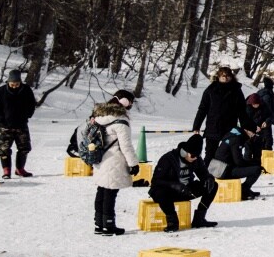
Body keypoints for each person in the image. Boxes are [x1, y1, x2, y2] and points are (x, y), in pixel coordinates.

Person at [89, 100, 141, 235]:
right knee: (110, 194)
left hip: (100, 160)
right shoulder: (120, 122)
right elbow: (126, 146)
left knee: (101, 191)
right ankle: (109, 225)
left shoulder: (100, 118)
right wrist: (133, 164)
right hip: (114, 161)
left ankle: (99, 224)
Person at [150, 133, 217, 230]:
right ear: (185, 152)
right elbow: (156, 181)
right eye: (193, 155)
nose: (195, 158)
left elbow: (204, 174)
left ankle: (199, 219)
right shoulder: (168, 159)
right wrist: (175, 185)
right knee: (160, 192)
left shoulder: (196, 160)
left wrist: (209, 179)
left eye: (197, 156)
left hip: (186, 190)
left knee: (213, 185)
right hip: (169, 192)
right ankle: (172, 222)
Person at [192, 66, 246, 162]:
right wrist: (197, 126)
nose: (225, 78)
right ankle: (207, 175)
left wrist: (246, 127)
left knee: (228, 153)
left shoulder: (236, 90)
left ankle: (226, 174)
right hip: (213, 127)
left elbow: (242, 111)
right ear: (218, 77)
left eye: (228, 76)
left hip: (229, 127)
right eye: (222, 76)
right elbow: (202, 109)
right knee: (210, 153)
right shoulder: (211, 90)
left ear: (231, 77)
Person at [0, 69, 37, 179]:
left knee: (24, 148)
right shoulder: (0, 92)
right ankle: (6, 171)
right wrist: (1, 119)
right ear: (8, 82)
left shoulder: (26, 90)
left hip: (21, 125)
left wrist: (28, 115)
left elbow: (32, 104)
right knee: (4, 150)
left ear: (20, 82)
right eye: (12, 84)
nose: (14, 86)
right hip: (5, 127)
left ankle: (20, 169)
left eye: (17, 84)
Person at [68, 89, 134, 159]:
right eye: (130, 103)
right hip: (94, 155)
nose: (130, 106)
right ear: (124, 101)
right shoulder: (118, 119)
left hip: (89, 152)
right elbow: (125, 145)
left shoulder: (99, 114)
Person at [210, 119, 264, 200]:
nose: (253, 136)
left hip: (219, 168)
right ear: (247, 130)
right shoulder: (237, 139)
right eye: (252, 133)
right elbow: (238, 161)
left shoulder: (233, 134)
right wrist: (252, 164)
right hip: (223, 171)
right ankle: (244, 190)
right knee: (257, 169)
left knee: (254, 166)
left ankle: (246, 189)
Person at [256, 76, 274, 150]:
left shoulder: (262, 92)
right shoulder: (267, 94)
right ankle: (265, 159)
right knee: (267, 141)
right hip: (264, 121)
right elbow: (268, 110)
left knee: (263, 140)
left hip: (262, 120)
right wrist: (268, 120)